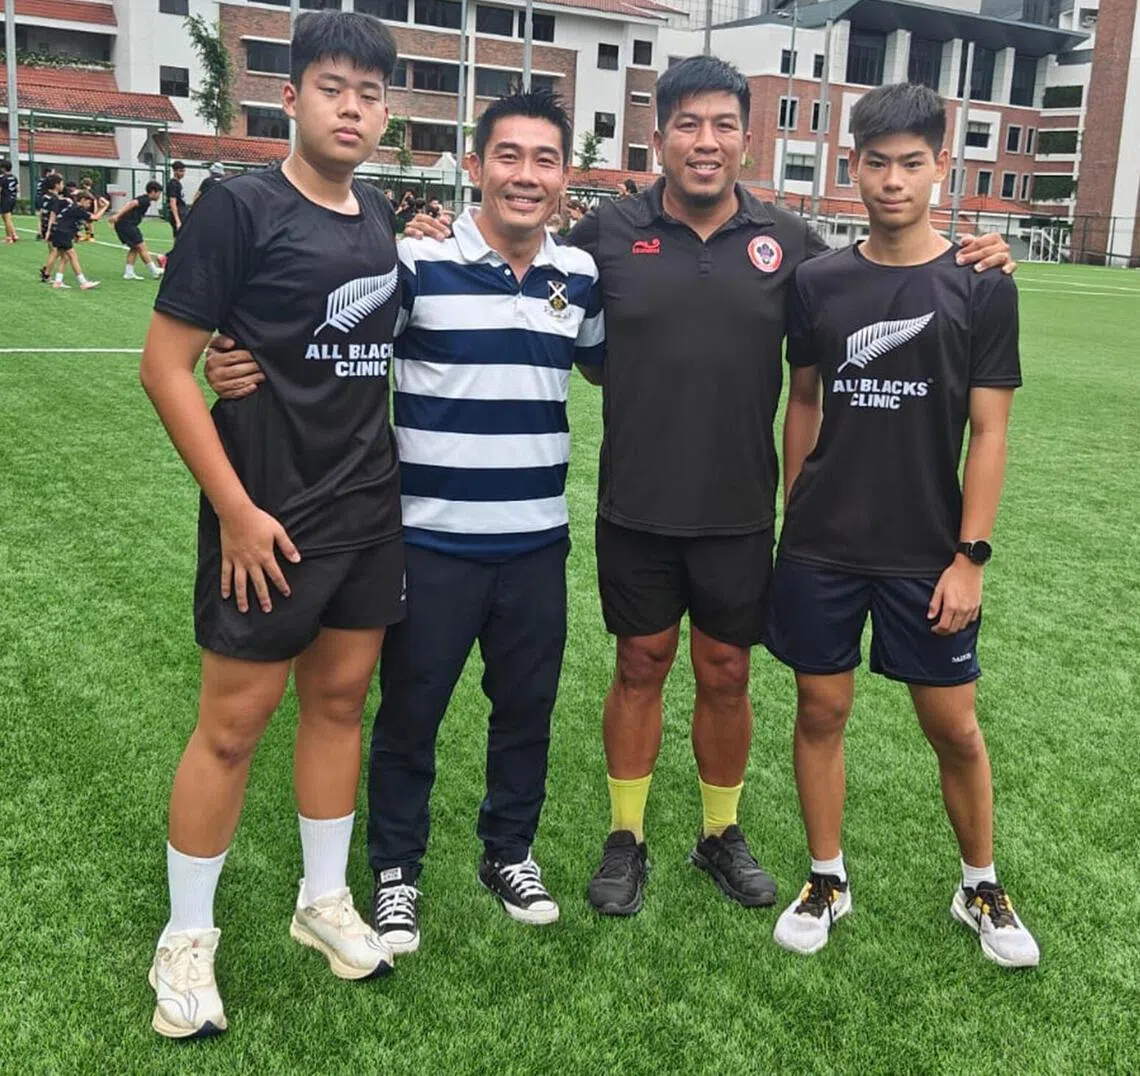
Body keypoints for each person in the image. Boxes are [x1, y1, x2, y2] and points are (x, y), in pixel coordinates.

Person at [400, 55, 1014, 920]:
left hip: (739, 510)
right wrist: (436, 228)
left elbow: (873, 282)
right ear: (659, 139)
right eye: (687, 124)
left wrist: (983, 250)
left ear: (747, 137)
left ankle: (720, 833)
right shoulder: (607, 232)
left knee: (727, 673)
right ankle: (627, 836)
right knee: (640, 663)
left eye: (724, 124)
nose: (706, 141)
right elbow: (523, 247)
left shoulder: (790, 242)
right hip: (635, 506)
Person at [203, 89, 605, 958]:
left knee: (525, 708)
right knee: (409, 714)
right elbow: (325, 345)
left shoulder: (581, 277)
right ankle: (395, 875)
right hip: (426, 539)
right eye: (508, 155)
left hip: (537, 539)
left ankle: (509, 852)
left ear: (565, 178)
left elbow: (613, 358)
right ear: (476, 166)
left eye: (544, 160)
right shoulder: (414, 266)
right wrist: (229, 356)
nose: (524, 176)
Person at [137, 9, 404, 1041]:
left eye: (371, 92)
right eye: (332, 86)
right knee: (233, 728)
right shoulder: (238, 209)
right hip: (268, 520)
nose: (353, 106)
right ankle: (186, 938)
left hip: (366, 513)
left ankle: (321, 901)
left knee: (340, 705)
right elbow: (166, 366)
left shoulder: (379, 217)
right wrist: (236, 512)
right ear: (288, 98)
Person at [766, 83, 1039, 968]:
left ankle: (980, 885)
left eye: (912, 164)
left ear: (940, 168)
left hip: (930, 551)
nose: (892, 181)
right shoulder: (817, 281)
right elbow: (801, 402)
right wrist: (792, 511)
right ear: (852, 167)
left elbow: (991, 430)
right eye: (876, 163)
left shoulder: (980, 285)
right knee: (821, 707)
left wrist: (972, 556)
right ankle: (827, 876)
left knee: (953, 727)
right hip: (822, 545)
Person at [44, 190, 107, 289]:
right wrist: (105, 206)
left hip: (56, 232)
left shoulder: (73, 206)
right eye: (88, 202)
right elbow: (95, 217)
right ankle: (83, 282)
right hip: (62, 233)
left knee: (65, 258)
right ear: (82, 200)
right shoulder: (78, 209)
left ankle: (58, 282)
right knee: (73, 256)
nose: (89, 205)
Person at [110, 182, 166, 280]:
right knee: (141, 247)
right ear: (153, 191)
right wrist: (117, 216)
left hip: (124, 225)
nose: (159, 196)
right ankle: (154, 271)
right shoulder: (145, 200)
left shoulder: (144, 199)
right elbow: (131, 203)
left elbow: (130, 204)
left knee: (134, 247)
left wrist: (118, 216)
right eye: (159, 193)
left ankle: (129, 273)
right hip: (127, 225)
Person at [36, 172, 61, 244]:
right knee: (55, 252)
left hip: (44, 227)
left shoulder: (45, 196)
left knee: (57, 252)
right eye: (62, 183)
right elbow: (53, 215)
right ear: (56, 185)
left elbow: (40, 214)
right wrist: (49, 231)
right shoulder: (55, 199)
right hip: (52, 229)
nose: (63, 185)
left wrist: (40, 230)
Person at [166, 161, 187, 240]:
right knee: (179, 237)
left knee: (182, 237)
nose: (183, 173)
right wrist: (177, 220)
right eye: (181, 171)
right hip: (178, 213)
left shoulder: (178, 183)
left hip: (182, 212)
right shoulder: (173, 184)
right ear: (175, 171)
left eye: (183, 171)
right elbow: (172, 202)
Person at [0, 159, 18, 243]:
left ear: (3, 168)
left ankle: (9, 238)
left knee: (7, 218)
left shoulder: (3, 178)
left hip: (5, 199)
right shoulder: (14, 177)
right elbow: (17, 189)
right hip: (13, 198)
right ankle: (14, 235)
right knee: (7, 217)